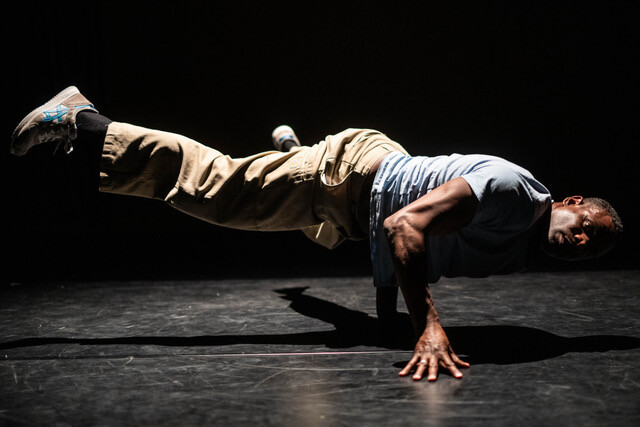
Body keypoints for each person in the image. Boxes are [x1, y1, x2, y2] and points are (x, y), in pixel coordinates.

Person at [10, 86, 623, 382]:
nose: (580, 243)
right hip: (350, 179)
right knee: (220, 190)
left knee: (322, 233)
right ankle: (83, 120)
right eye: (585, 228)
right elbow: (405, 225)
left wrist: (388, 317)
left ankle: (291, 153)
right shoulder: (514, 195)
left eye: (591, 250)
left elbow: (419, 246)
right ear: (570, 202)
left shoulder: (517, 243)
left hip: (363, 199)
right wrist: (427, 327)